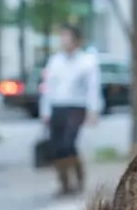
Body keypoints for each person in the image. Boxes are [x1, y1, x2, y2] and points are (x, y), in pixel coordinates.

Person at [40, 24, 101, 197]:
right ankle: (64, 183)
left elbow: (93, 88)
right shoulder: (55, 61)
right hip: (57, 106)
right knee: (57, 146)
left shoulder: (87, 62)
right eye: (62, 37)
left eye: (67, 37)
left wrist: (93, 110)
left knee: (68, 143)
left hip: (76, 106)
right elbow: (47, 87)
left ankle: (79, 177)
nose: (64, 41)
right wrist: (45, 111)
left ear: (76, 41)